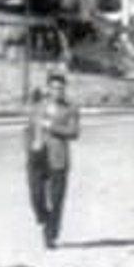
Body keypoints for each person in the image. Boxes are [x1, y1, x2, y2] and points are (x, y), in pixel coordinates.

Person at [23, 73, 80, 248]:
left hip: (58, 158)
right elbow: (28, 129)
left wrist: (53, 127)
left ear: (64, 90)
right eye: (54, 88)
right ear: (48, 88)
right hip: (37, 156)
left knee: (56, 199)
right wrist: (29, 147)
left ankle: (51, 233)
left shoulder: (71, 108)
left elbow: (74, 132)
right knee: (35, 195)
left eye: (61, 88)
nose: (57, 91)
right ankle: (44, 217)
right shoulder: (38, 106)